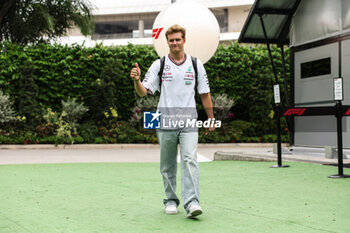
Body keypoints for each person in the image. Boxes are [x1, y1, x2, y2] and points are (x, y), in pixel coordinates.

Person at [130, 24, 214, 218]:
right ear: (167, 42)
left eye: (178, 39)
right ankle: (170, 200)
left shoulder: (195, 64)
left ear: (184, 40)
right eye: (171, 40)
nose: (175, 43)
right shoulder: (158, 64)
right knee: (167, 164)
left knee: (189, 160)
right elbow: (143, 92)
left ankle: (192, 202)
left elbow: (205, 94)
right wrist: (136, 80)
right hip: (164, 121)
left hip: (189, 121)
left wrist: (211, 118)